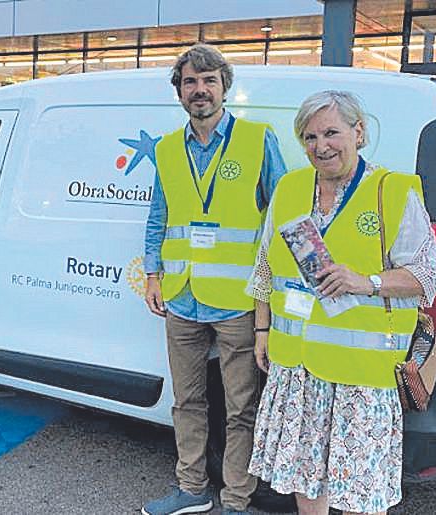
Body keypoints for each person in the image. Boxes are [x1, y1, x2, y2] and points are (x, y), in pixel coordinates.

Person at [246, 90, 436, 514]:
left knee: (358, 487)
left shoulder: (391, 191)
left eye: (332, 133)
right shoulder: (290, 187)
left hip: (361, 375)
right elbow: (265, 266)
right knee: (305, 475)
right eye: (310, 137)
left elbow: (430, 275)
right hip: (297, 367)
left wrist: (367, 281)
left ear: (359, 132)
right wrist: (261, 329)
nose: (321, 146)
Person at [142, 43, 287, 515]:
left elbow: (279, 219)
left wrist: (269, 296)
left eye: (208, 80)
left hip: (238, 299)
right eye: (190, 82)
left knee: (242, 408)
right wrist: (152, 273)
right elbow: (158, 216)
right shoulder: (166, 149)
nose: (199, 90)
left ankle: (237, 500)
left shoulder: (257, 138)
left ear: (225, 86)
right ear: (180, 91)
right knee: (187, 401)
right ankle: (192, 490)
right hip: (182, 296)